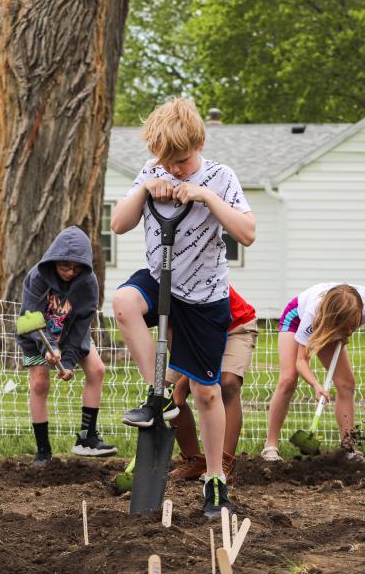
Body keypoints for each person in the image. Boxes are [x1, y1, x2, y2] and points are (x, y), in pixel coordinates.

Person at [111, 97, 255, 518]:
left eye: (180, 160)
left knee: (207, 393)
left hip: (205, 295)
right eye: (165, 160)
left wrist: (206, 197)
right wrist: (143, 187)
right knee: (122, 302)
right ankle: (159, 395)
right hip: (161, 279)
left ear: (199, 142)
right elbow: (119, 224)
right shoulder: (152, 172)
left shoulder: (221, 177)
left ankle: (215, 482)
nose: (172, 168)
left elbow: (247, 234)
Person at [15, 226, 116, 468]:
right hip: (35, 335)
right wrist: (49, 348)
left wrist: (67, 360)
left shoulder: (88, 282)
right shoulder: (37, 277)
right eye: (65, 267)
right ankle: (43, 451)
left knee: (97, 370)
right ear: (55, 260)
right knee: (40, 383)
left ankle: (86, 437)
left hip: (72, 334)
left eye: (76, 267)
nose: (71, 272)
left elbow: (83, 323)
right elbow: (31, 317)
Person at [261, 283, 365, 461]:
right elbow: (301, 360)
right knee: (288, 379)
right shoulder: (311, 316)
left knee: (346, 384)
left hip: (334, 323)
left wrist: (345, 333)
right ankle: (270, 446)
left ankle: (348, 448)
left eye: (354, 323)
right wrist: (316, 385)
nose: (352, 329)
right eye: (349, 325)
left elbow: (348, 327)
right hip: (297, 318)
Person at [169, 285, 257, 482]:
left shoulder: (204, 278)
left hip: (235, 326)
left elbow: (214, 334)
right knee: (169, 396)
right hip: (192, 336)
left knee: (228, 384)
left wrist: (190, 376)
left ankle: (224, 462)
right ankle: (194, 460)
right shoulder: (160, 290)